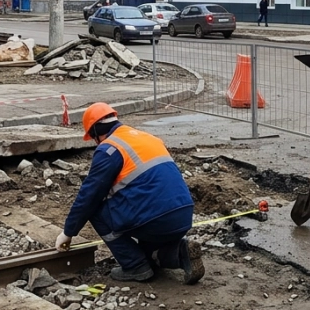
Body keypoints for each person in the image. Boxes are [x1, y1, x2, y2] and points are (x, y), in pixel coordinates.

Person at [55, 103, 204, 284]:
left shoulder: (110, 148)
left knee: (95, 210)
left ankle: (135, 266)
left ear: (96, 132)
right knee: (149, 253)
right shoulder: (148, 138)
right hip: (183, 216)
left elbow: (89, 196)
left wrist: (68, 232)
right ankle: (181, 253)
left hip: (155, 221)